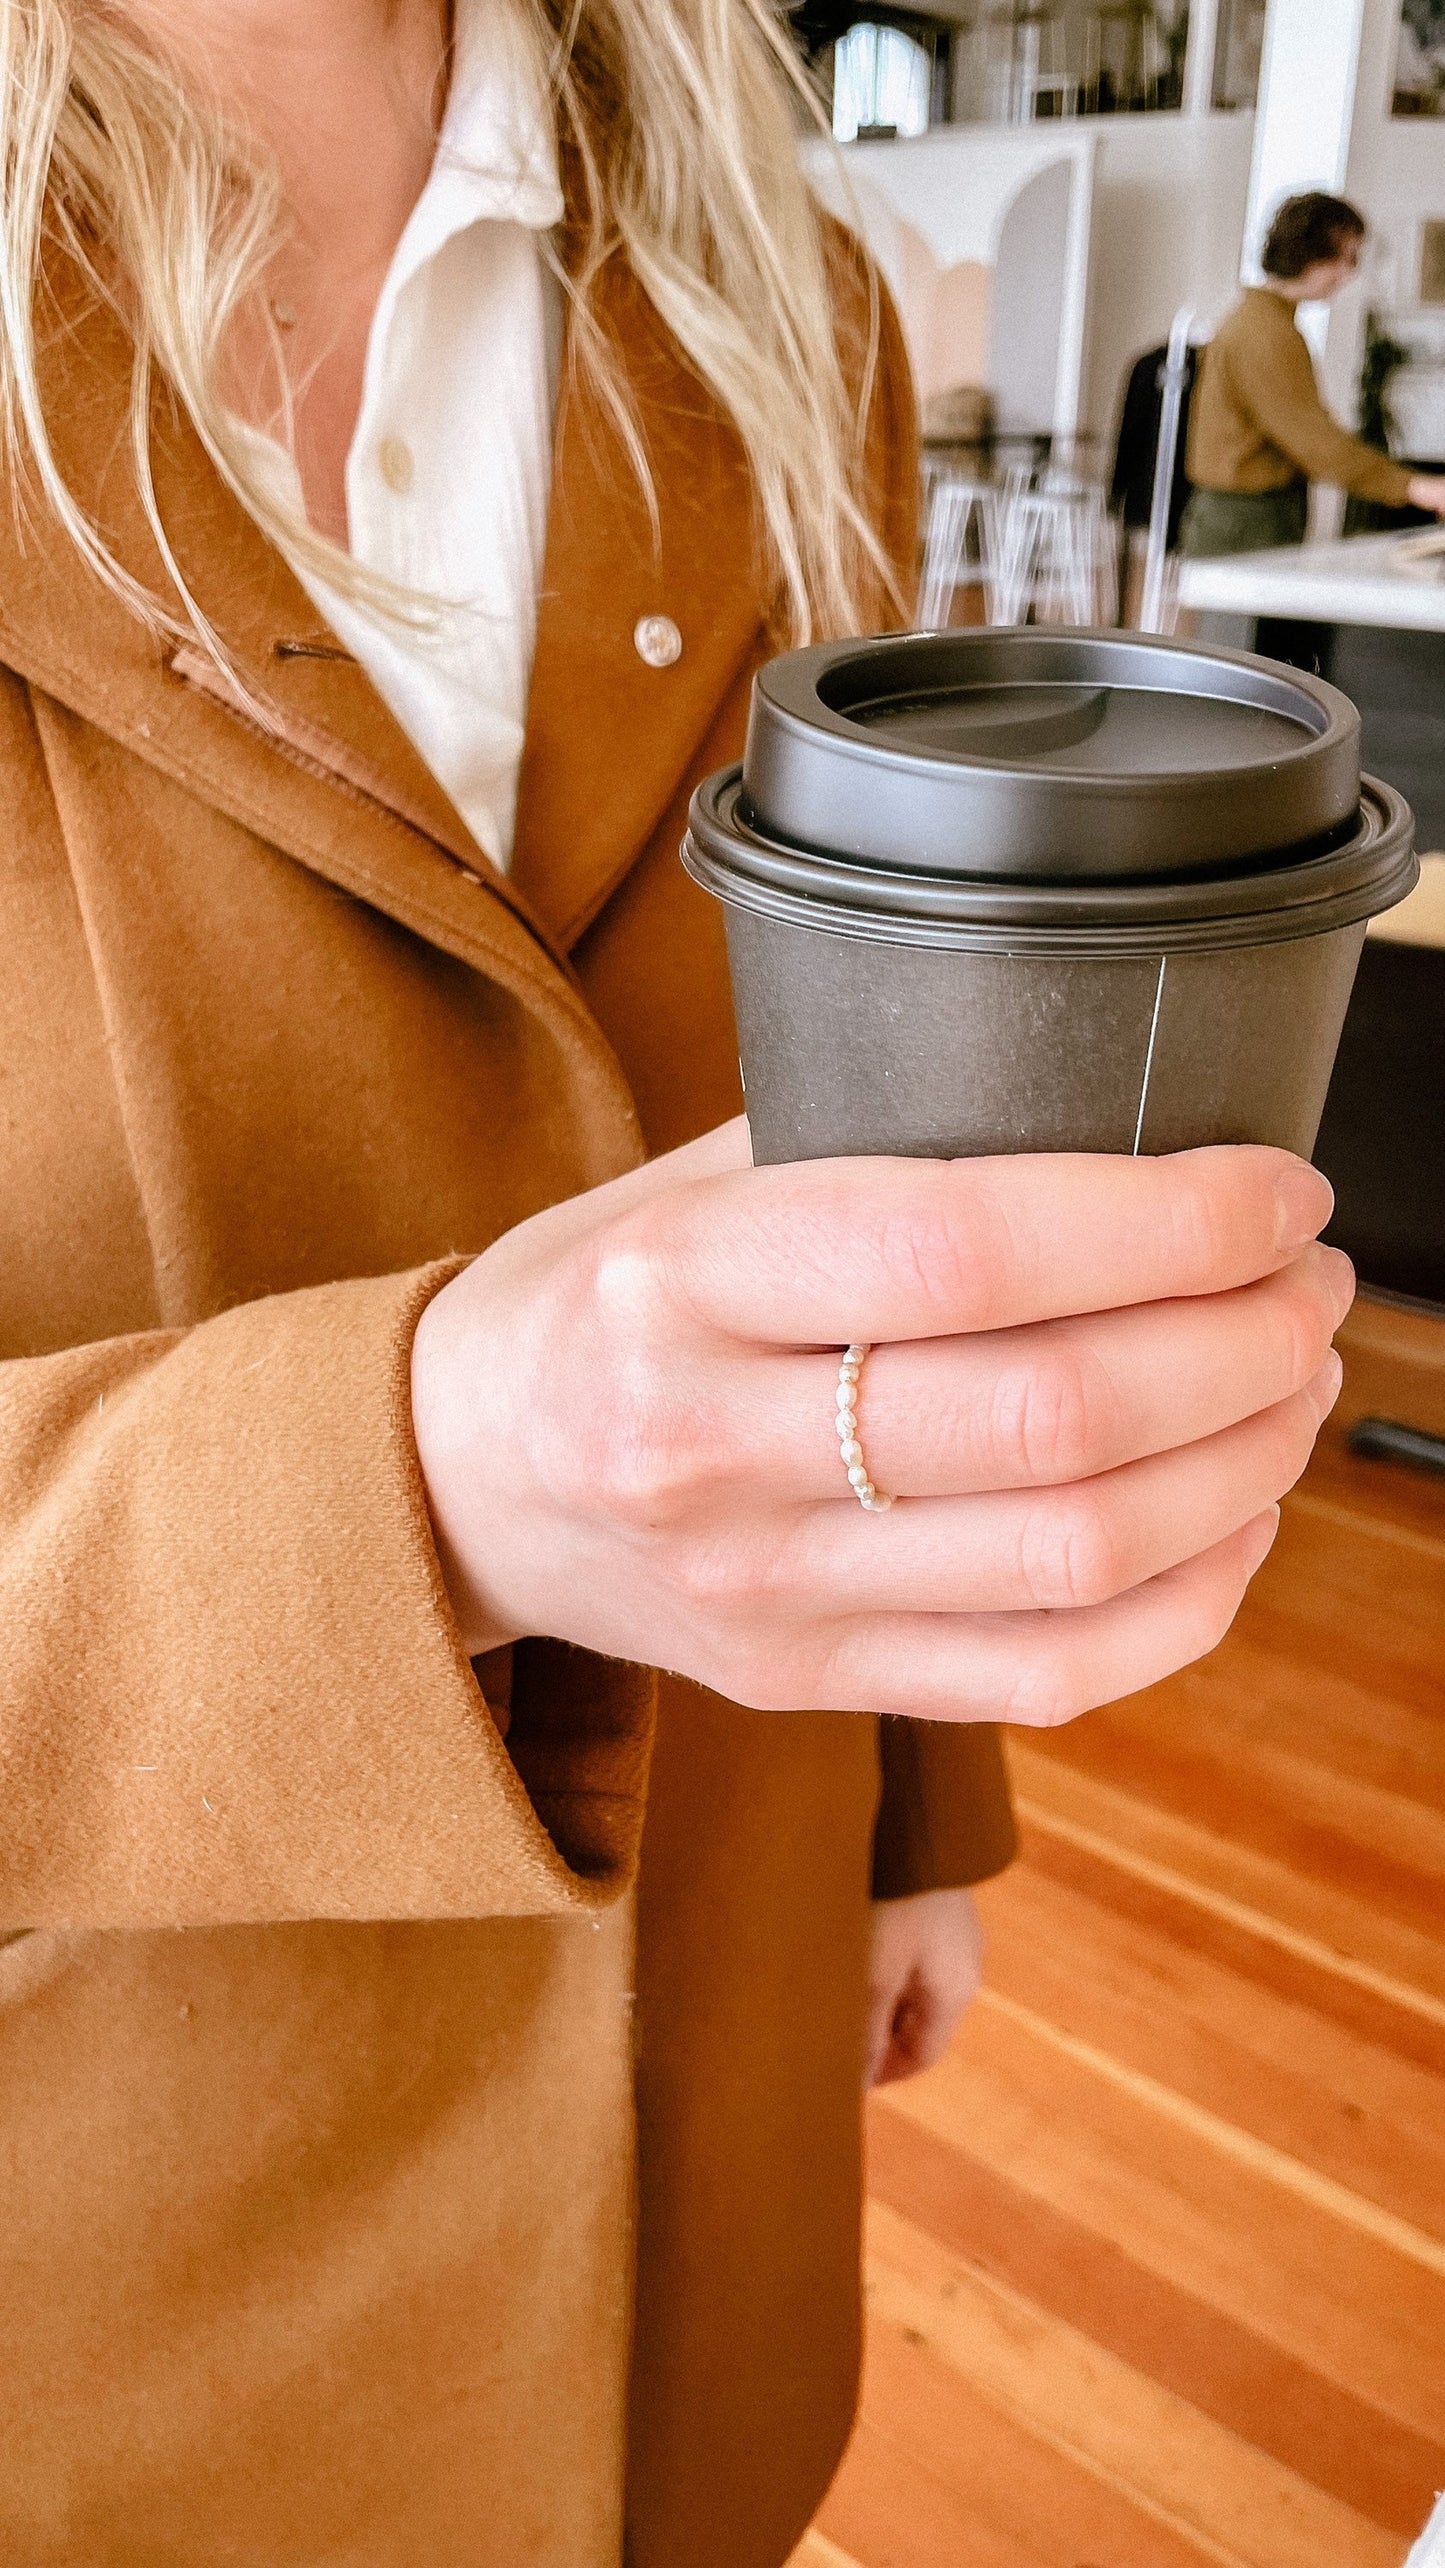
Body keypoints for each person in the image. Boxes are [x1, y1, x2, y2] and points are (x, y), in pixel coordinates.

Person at [0, 4, 1351, 2562]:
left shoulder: (761, 286)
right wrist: (424, 1479)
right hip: (104, 2270)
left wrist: (910, 1810)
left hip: (697, 2140)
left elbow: (845, 1105)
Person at [1182, 189, 1445, 558]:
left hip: (1246, 515)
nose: (1347, 273)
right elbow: (1316, 443)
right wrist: (1418, 487)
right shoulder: (1266, 334)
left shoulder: (1260, 321)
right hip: (1246, 521)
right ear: (1310, 253)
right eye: (1346, 257)